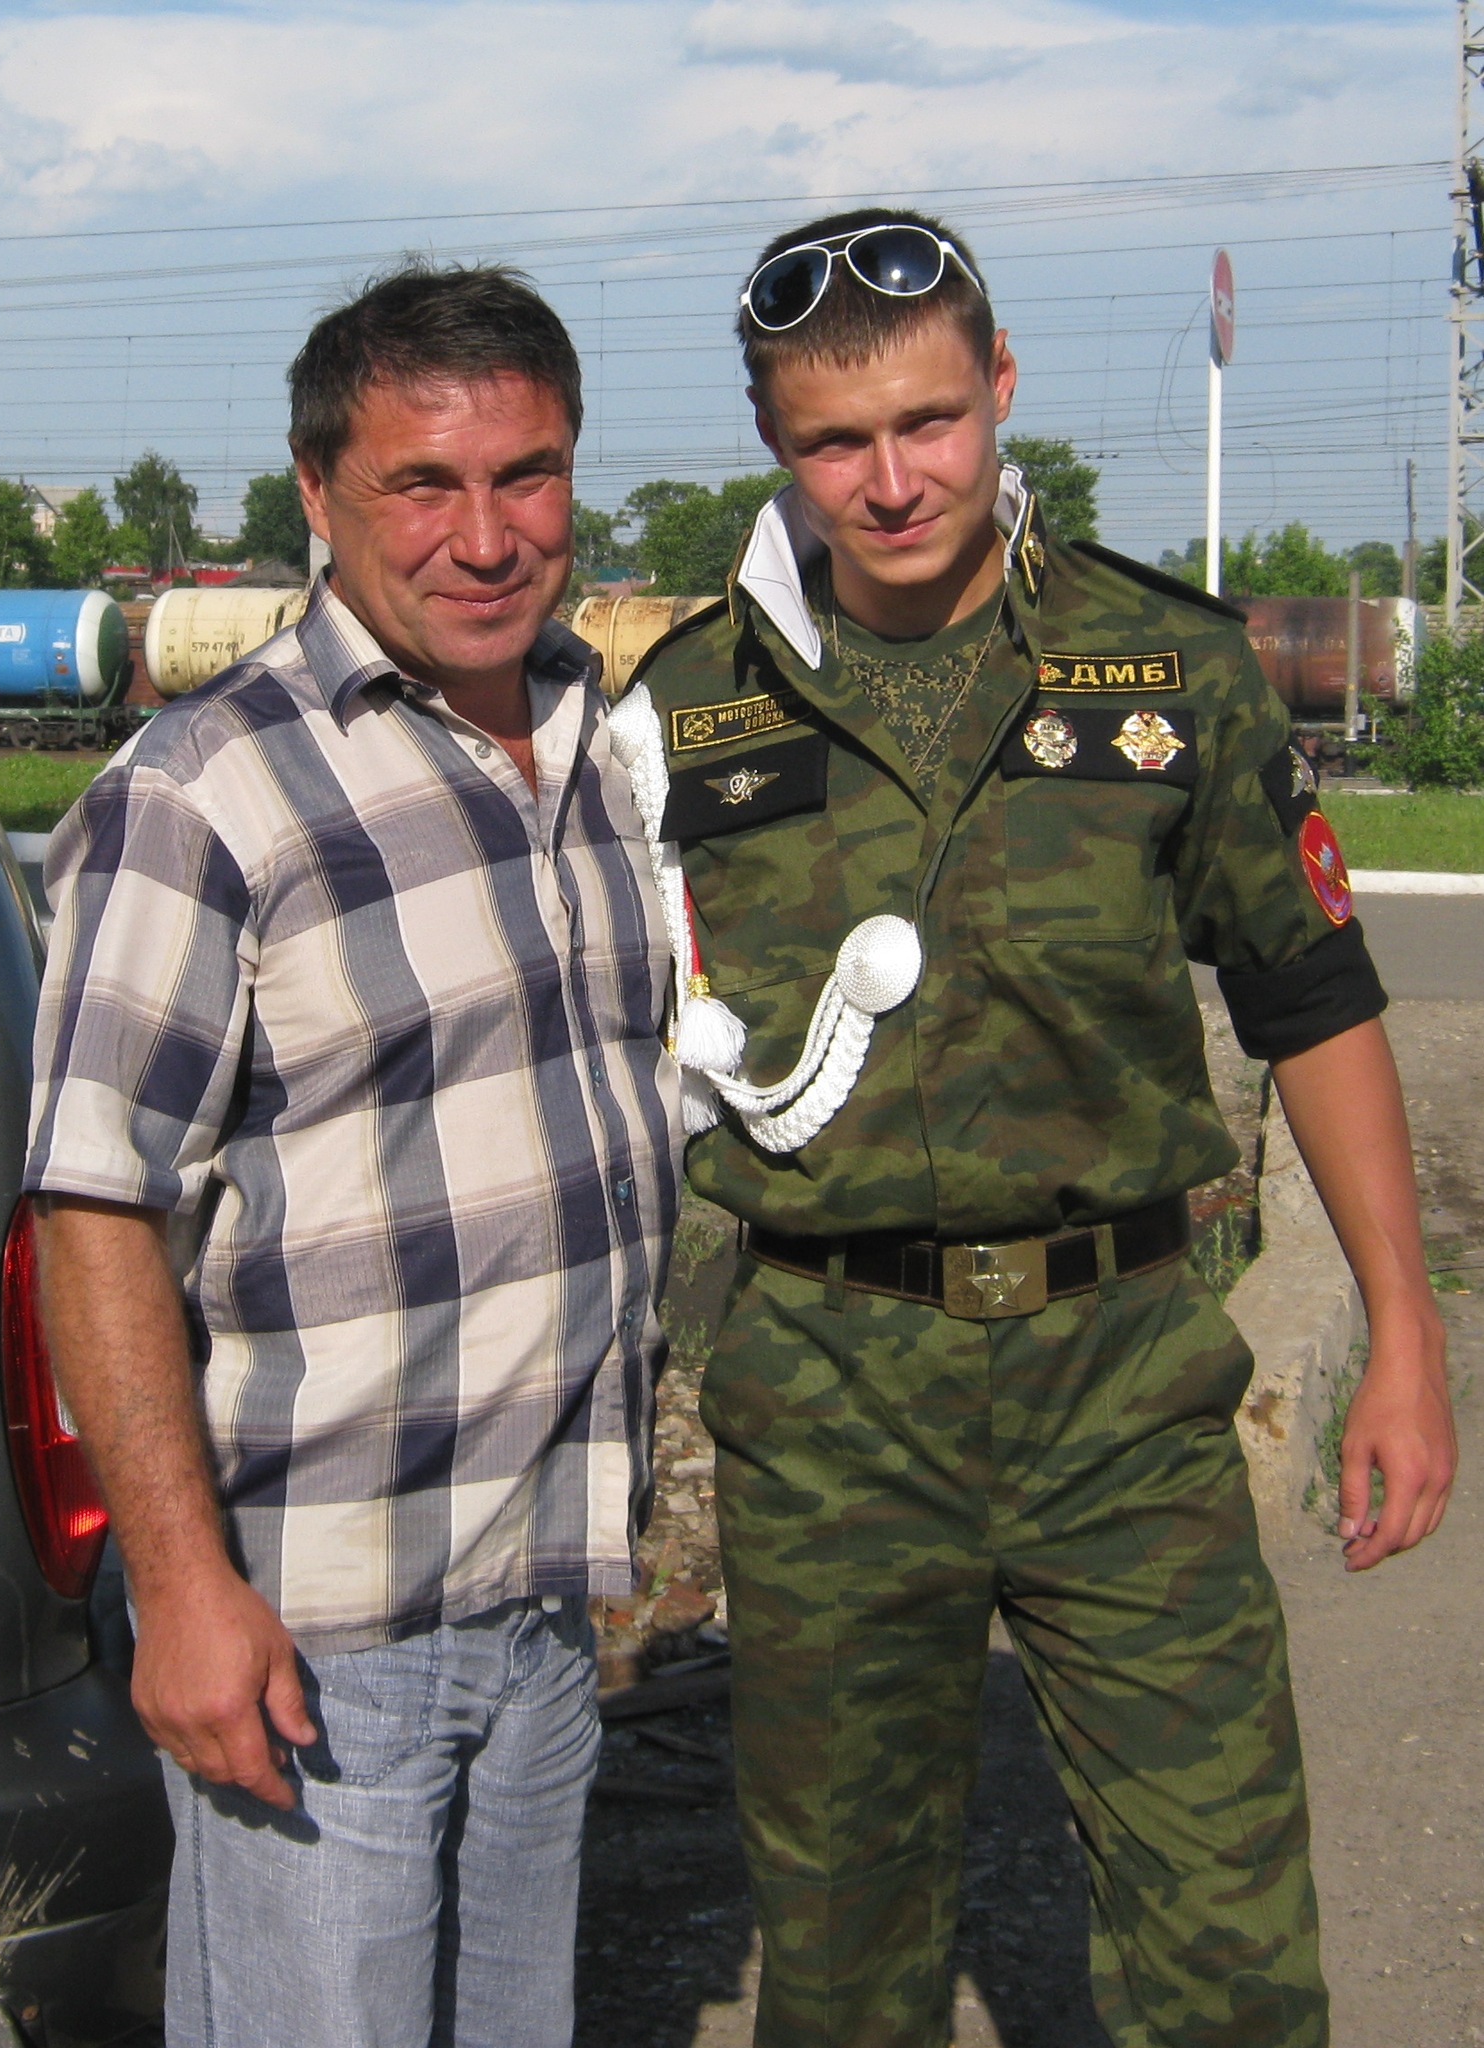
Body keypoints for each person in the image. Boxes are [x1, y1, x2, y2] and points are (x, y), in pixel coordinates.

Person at [622, 209, 1455, 2048]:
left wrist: (1406, 1327)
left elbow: (1311, 997)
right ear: (773, 438)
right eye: (837, 440)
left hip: (1123, 1389)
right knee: (844, 1977)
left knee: (1231, 1956)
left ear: (1000, 387)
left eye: (931, 421)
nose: (892, 480)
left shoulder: (1167, 665)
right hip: (830, 1401)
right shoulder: (680, 714)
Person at [24, 263, 680, 2048]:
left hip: (546, 1607)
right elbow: (95, 1211)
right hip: (319, 1638)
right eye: (422, 483)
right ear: (318, 492)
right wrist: (182, 1590)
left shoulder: (590, 751)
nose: (486, 536)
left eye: (527, 475)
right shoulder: (204, 794)